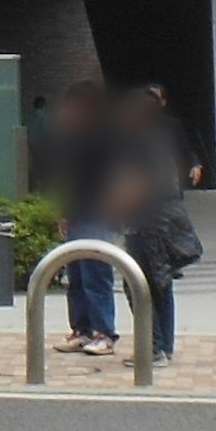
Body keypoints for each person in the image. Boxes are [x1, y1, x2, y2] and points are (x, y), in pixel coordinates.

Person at [114, 85, 203, 365]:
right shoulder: (157, 139)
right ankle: (165, 346)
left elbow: (139, 185)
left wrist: (113, 206)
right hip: (164, 219)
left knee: (139, 284)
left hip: (147, 223)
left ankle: (153, 349)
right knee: (161, 283)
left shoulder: (140, 143)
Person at [50, 81, 124, 356]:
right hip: (78, 212)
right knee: (77, 276)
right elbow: (71, 180)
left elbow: (115, 176)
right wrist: (65, 213)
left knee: (96, 275)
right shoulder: (73, 137)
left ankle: (104, 332)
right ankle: (81, 330)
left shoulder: (107, 136)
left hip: (97, 214)